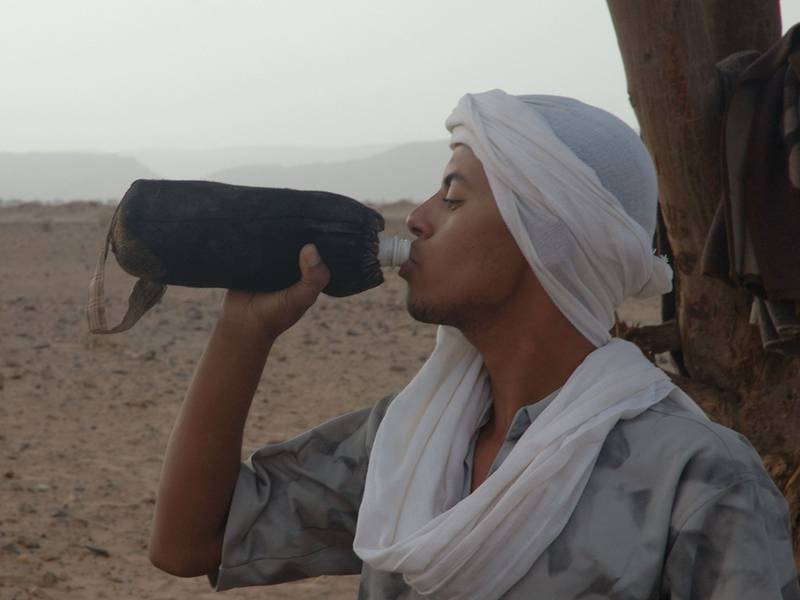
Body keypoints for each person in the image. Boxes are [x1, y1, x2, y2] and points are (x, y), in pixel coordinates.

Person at [148, 90, 800, 599]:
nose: (419, 218)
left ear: (543, 238)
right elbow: (188, 545)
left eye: (453, 198)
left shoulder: (695, 480)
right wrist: (245, 330)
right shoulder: (412, 444)